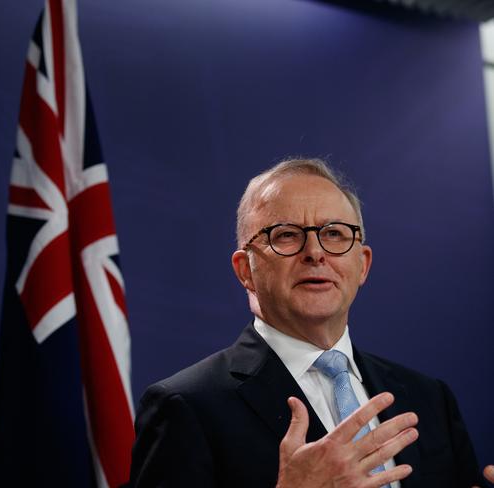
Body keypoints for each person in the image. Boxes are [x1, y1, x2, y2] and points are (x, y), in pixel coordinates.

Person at [128, 158, 492, 487]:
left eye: (334, 234)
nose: (315, 253)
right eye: (286, 235)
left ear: (362, 264)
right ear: (245, 271)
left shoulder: (429, 399)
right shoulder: (186, 406)